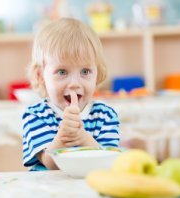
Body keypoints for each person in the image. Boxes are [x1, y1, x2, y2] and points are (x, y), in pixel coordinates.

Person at [22, 18, 120, 171]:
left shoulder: (105, 115)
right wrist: (64, 136)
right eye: (62, 72)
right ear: (41, 75)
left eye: (85, 71)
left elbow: (107, 163)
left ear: (97, 73)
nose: (74, 83)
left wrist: (83, 138)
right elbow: (51, 163)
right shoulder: (35, 115)